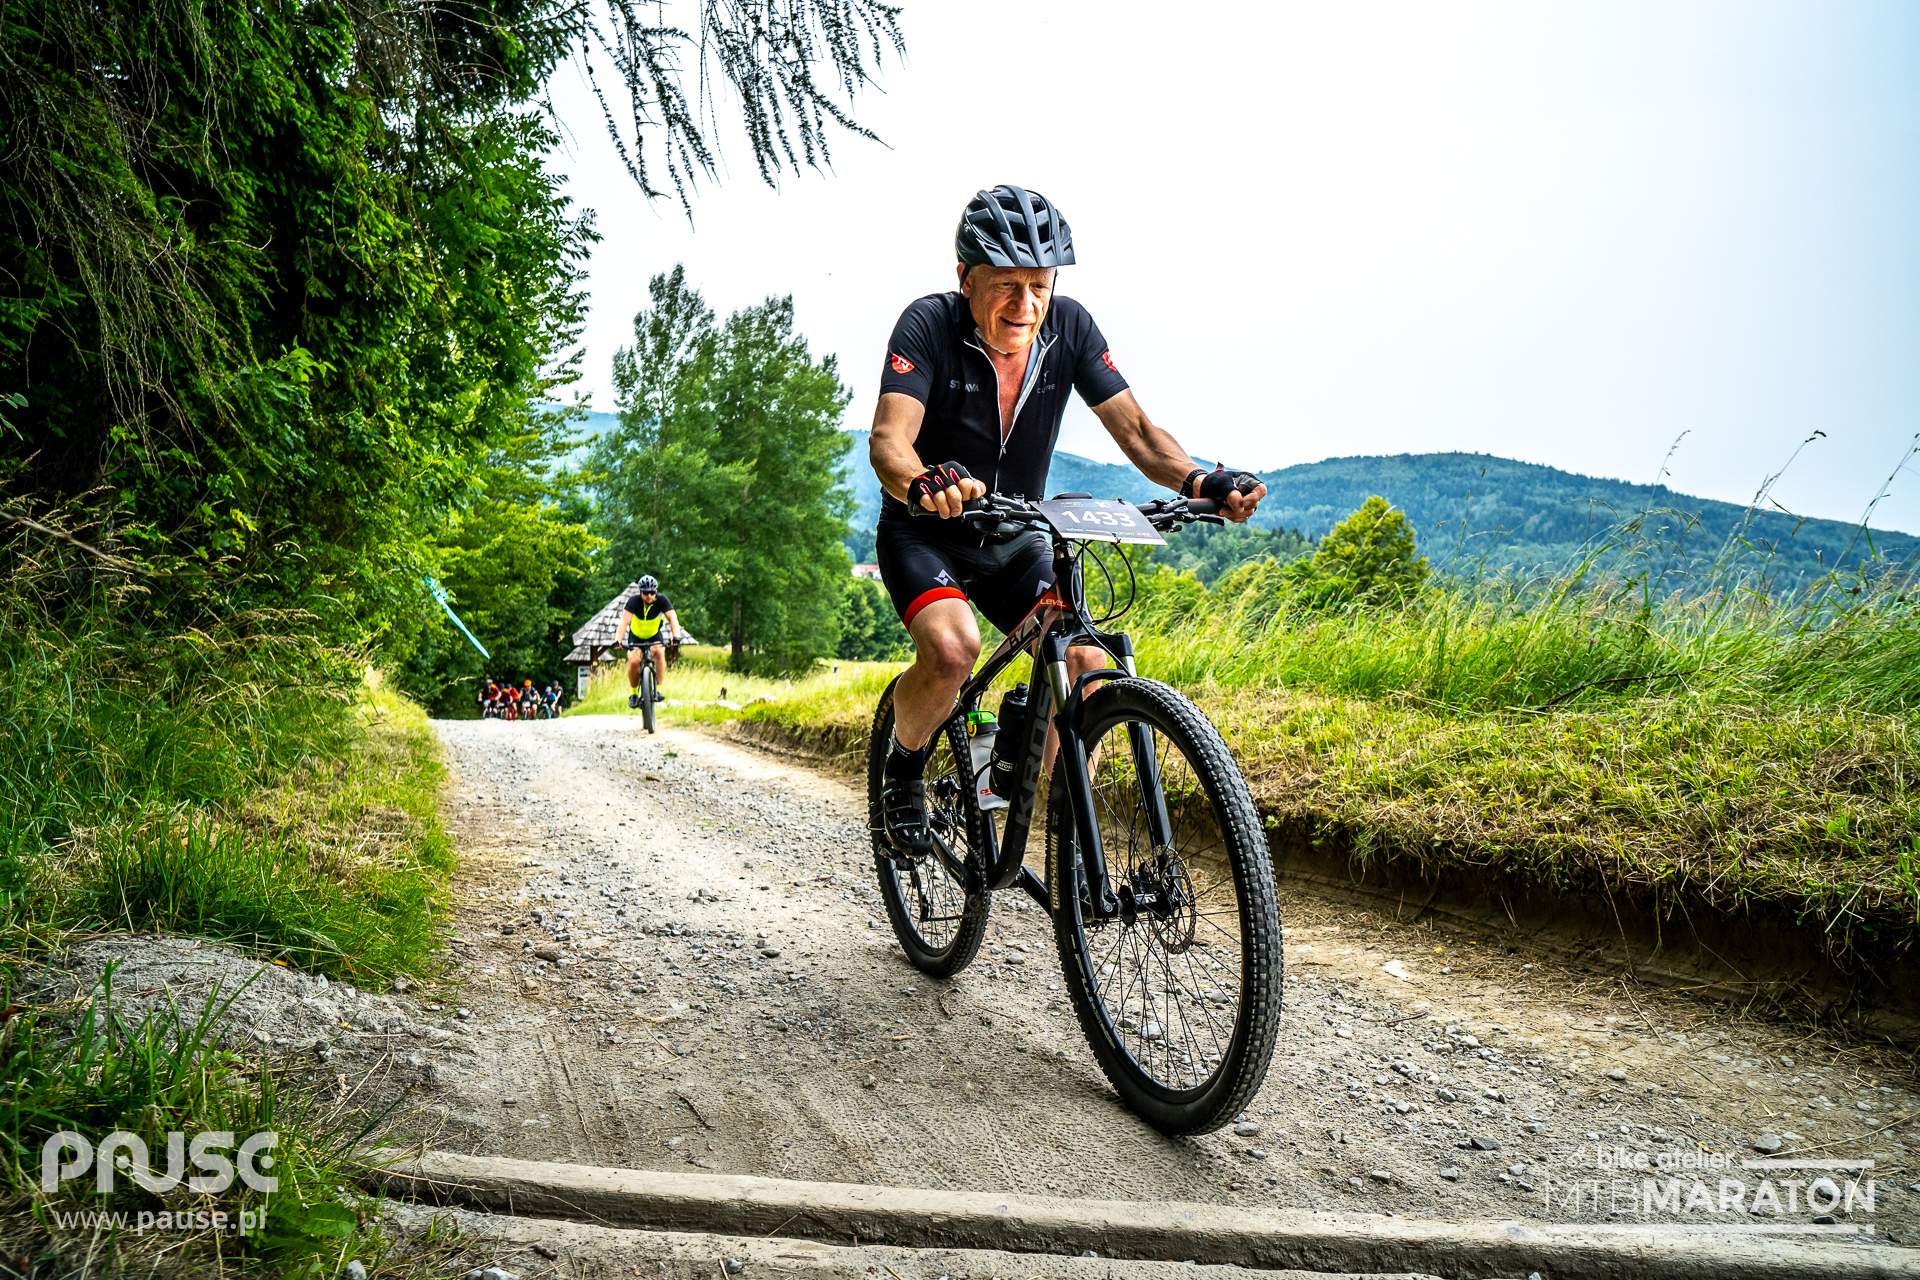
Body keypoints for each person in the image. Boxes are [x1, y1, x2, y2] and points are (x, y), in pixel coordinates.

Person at [868, 184, 1268, 855]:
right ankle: (903, 769)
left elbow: (1138, 432)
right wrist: (922, 481)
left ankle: (1066, 845)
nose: (1025, 305)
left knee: (1083, 660)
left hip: (1014, 531)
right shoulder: (928, 324)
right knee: (953, 649)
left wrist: (1200, 480)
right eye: (1005, 285)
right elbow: (889, 440)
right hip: (927, 530)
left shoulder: (1070, 328)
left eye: (1039, 285)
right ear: (965, 277)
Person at [618, 575, 681, 709]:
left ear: (656, 591)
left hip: (654, 636)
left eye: (652, 592)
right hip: (636, 637)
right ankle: (634, 694)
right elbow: (624, 622)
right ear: (640, 592)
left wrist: (676, 636)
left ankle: (658, 690)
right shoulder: (633, 602)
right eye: (645, 593)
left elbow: (673, 618)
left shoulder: (662, 600)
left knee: (659, 653)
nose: (649, 596)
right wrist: (617, 641)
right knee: (634, 661)